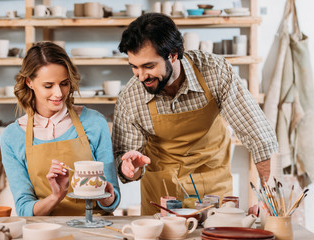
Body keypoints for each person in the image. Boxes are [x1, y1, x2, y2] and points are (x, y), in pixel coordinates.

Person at [112, 13, 278, 215]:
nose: (141, 76)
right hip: (162, 196)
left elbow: (257, 134)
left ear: (173, 54)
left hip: (213, 186)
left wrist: (269, 197)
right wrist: (129, 168)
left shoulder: (213, 71)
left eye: (149, 66)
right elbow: (124, 161)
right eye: (134, 67)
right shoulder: (131, 97)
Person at [0, 42, 120, 216]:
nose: (58, 93)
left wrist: (107, 197)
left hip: (96, 230)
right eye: (48, 86)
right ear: (29, 82)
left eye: (64, 83)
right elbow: (24, 209)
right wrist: (56, 196)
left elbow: (113, 200)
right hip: (45, 232)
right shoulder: (12, 136)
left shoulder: (94, 122)